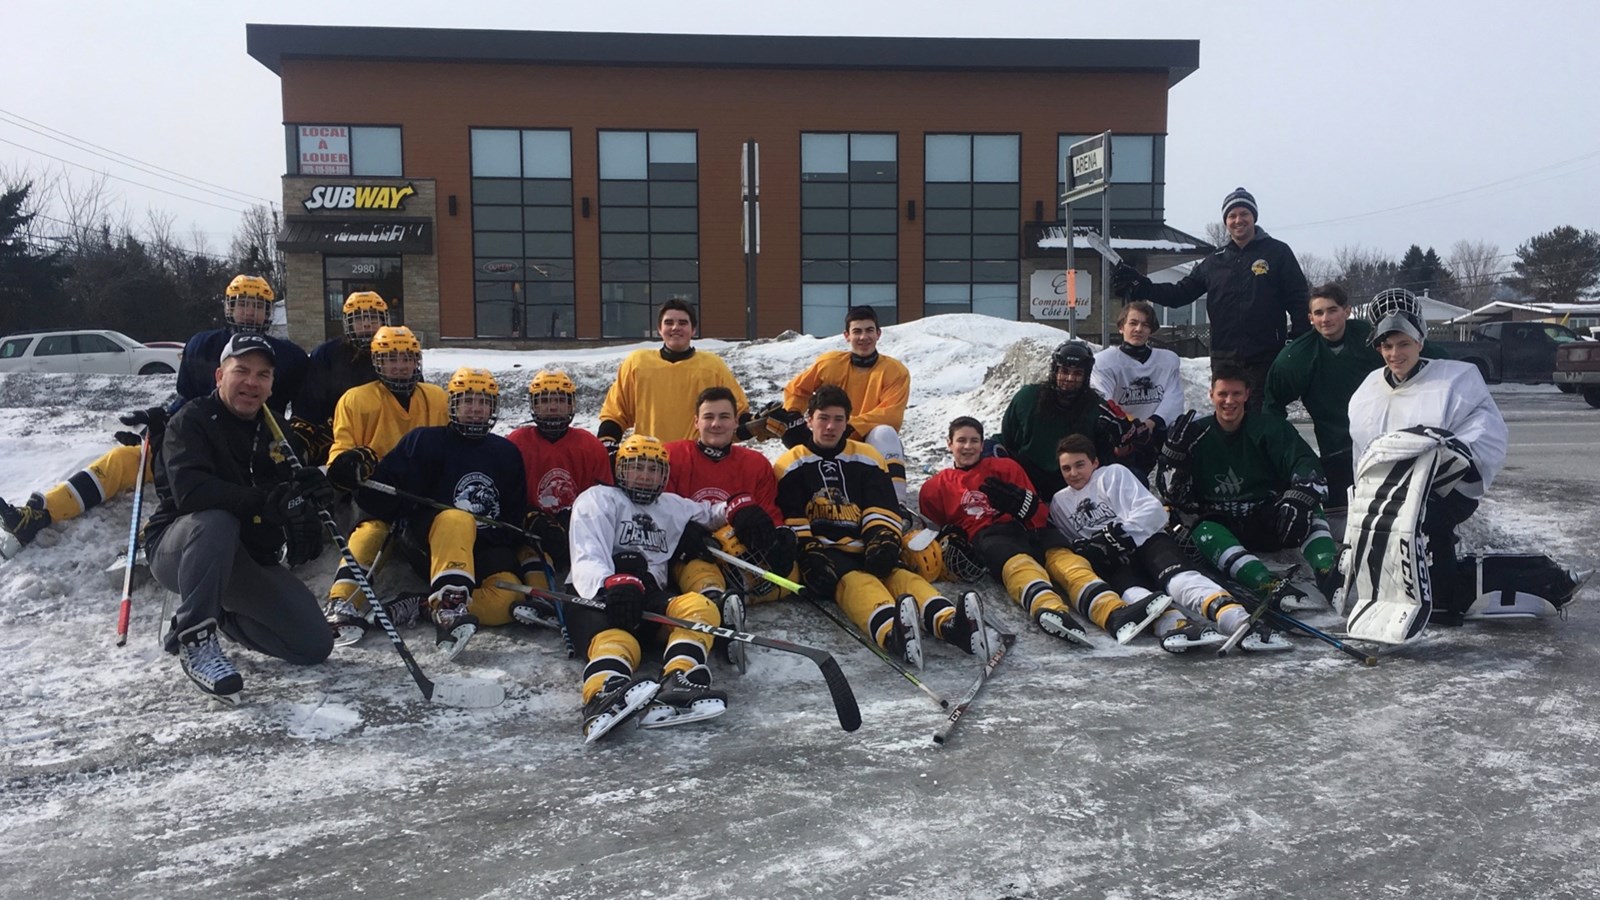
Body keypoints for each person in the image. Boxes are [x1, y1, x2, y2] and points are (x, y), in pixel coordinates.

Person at [1, 275, 311, 549]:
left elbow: (301, 414)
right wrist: (161, 420)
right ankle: (41, 513)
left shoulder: (289, 356)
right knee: (126, 459)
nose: (250, 312)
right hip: (198, 444)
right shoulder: (202, 344)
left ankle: (172, 530)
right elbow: (185, 400)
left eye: (258, 305)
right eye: (243, 303)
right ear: (229, 306)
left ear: (270, 311)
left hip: (250, 453)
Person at [142, 333, 335, 703]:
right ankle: (196, 638)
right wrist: (263, 502)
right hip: (180, 547)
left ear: (272, 384)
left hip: (242, 557)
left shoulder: (280, 430)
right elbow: (190, 494)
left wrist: (306, 497)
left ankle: (218, 616)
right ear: (219, 376)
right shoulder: (190, 420)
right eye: (241, 370)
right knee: (216, 520)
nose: (252, 382)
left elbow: (282, 503)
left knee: (313, 644)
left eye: (263, 375)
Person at [775, 386, 999, 668]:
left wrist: (882, 538)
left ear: (848, 422)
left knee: (903, 577)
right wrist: (807, 552)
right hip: (827, 552)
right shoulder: (789, 463)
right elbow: (791, 515)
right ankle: (893, 632)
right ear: (809, 419)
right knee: (859, 583)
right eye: (823, 418)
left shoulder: (868, 456)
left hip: (864, 543)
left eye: (839, 419)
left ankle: (951, 623)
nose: (831, 426)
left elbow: (881, 505)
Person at [566, 434, 738, 739]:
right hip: (599, 596)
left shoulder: (671, 506)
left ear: (664, 475)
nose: (645, 476)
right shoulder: (597, 499)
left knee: (700, 607)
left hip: (648, 596)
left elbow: (711, 514)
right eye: (636, 467)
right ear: (620, 469)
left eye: (653, 469)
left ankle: (679, 678)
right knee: (617, 640)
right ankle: (602, 694)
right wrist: (610, 583)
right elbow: (587, 555)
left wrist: (739, 508)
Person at [1348, 302, 1508, 625]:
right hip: (1390, 491)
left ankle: (1443, 593)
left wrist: (1450, 462)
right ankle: (1385, 594)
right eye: (1388, 346)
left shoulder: (1455, 380)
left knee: (1424, 521)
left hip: (1444, 490)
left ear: (1420, 341)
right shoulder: (1368, 390)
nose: (1395, 354)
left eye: (1404, 344)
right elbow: (1362, 452)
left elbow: (1487, 433)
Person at [1051, 434, 1286, 652]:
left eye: (1079, 464)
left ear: (1094, 462)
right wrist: (1091, 550)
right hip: (1116, 561)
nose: (1073, 473)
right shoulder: (1059, 502)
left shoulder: (1111, 474)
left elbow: (1152, 510)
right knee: (1135, 593)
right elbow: (1075, 541)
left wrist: (1117, 534)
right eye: (1066, 468)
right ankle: (1175, 625)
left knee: (1178, 580)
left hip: (1148, 541)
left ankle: (1234, 618)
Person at [354, 367, 527, 659]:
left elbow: (512, 515)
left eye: (484, 402)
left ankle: (424, 605)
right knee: (457, 518)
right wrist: (360, 478)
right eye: (468, 401)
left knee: (508, 602)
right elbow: (379, 495)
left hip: (480, 549)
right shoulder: (423, 441)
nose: (476, 409)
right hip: (430, 546)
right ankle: (449, 614)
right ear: (454, 405)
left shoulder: (506, 452)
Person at [917, 416, 1116, 647]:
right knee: (1019, 563)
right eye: (961, 440)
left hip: (1028, 528)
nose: (968, 446)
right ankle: (1049, 608)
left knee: (1064, 558)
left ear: (983, 445)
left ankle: (1110, 608)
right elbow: (933, 536)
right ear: (949, 443)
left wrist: (1026, 507)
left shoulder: (1006, 467)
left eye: (974, 441)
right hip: (989, 536)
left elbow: (1040, 514)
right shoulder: (934, 488)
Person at [1153, 368, 1338, 610]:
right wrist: (1172, 461)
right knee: (1204, 531)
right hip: (1222, 523)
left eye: (1236, 394)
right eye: (1223, 394)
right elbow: (1173, 497)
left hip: (1268, 518)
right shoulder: (1196, 434)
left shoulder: (1271, 429)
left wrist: (1301, 495)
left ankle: (1329, 572)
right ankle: (1264, 583)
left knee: (1310, 508)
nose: (1229, 401)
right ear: (1211, 394)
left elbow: (1304, 463)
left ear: (1247, 394)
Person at [1112, 187, 1309, 410]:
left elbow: (1299, 299)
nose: (1238, 220)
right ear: (1226, 221)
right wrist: (1143, 286)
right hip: (1224, 358)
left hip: (1265, 357)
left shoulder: (1278, 252)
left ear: (1254, 217)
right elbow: (1180, 293)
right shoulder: (1214, 261)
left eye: (1244, 213)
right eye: (1232, 216)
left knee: (1264, 419)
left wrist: (1297, 341)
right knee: (1228, 417)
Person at [320, 325, 449, 642]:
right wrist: (349, 464)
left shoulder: (437, 396)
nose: (400, 365)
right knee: (371, 532)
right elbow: (341, 450)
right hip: (378, 497)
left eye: (406, 358)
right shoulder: (355, 399)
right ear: (377, 362)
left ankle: (447, 600)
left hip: (425, 497)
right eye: (391, 359)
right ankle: (344, 601)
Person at [1263, 286, 1448, 507]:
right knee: (1350, 514)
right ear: (1310, 318)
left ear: (1347, 311)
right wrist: (1298, 456)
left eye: (1332, 310)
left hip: (1387, 445)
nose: (1326, 318)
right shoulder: (1296, 358)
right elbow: (1271, 408)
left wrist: (1455, 370)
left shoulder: (1370, 336)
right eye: (1319, 313)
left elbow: (1421, 350)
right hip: (1337, 451)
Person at [664, 387, 795, 655]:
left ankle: (734, 599)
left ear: (736, 422)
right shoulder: (672, 456)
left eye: (724, 417)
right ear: (696, 422)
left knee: (790, 573)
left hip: (741, 554)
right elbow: (660, 509)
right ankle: (720, 612)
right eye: (708, 416)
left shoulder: (755, 463)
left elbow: (769, 511)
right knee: (701, 574)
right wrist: (682, 533)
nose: (716, 424)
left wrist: (779, 538)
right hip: (696, 554)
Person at [762, 305, 912, 504]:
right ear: (846, 335)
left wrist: (849, 426)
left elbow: (890, 414)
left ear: (878, 334)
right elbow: (797, 390)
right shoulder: (830, 362)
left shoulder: (895, 371)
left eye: (869, 330)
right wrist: (794, 414)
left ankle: (896, 504)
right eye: (857, 331)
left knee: (885, 433)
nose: (863, 337)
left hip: (866, 440)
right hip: (828, 435)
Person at [596, 299, 750, 450]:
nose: (675, 327)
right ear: (659, 329)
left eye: (683, 323)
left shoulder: (712, 367)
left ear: (693, 329)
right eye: (669, 323)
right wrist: (607, 446)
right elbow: (615, 413)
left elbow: (736, 413)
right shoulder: (637, 364)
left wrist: (756, 423)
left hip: (698, 461)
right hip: (650, 462)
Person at [506, 369, 613, 580]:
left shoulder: (590, 445)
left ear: (571, 404)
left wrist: (574, 518)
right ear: (534, 405)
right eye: (545, 400)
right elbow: (506, 497)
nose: (553, 406)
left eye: (560, 400)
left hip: (579, 534)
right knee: (536, 571)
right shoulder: (516, 442)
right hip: (531, 537)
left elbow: (604, 501)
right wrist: (528, 518)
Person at [999, 340, 1131, 499]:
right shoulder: (1027, 398)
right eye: (1065, 371)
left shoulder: (1098, 408)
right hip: (1029, 480)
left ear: (1086, 376)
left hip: (1076, 484)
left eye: (1077, 374)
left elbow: (1104, 459)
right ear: (1054, 371)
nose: (1069, 378)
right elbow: (1008, 440)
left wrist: (1123, 442)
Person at [286, 291, 389, 466]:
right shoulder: (327, 354)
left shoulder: (396, 353)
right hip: (335, 440)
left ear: (383, 320)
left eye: (372, 318)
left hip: (384, 437)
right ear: (348, 322)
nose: (366, 324)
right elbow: (309, 404)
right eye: (358, 319)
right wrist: (303, 440)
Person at [1091, 300, 1185, 480]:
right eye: (1133, 323)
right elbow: (1103, 399)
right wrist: (1129, 427)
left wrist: (1152, 423)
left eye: (1145, 324)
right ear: (1121, 327)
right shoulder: (1105, 362)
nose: (1138, 329)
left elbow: (1173, 397)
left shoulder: (1167, 360)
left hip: (1157, 433)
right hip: (1122, 438)